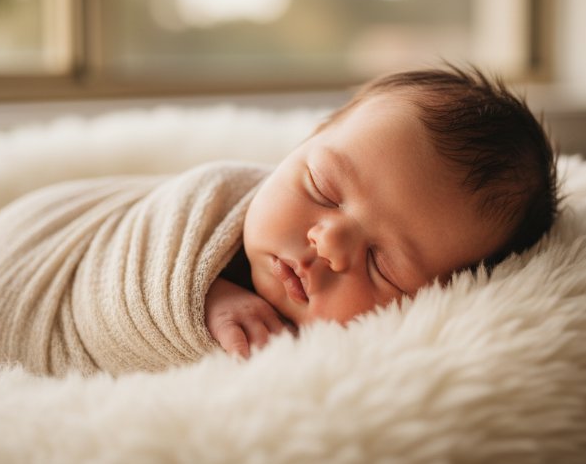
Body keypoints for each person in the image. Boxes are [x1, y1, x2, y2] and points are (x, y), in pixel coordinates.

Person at [204, 65, 558, 358]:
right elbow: (148, 259)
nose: (329, 244)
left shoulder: (355, 361)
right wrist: (208, 299)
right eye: (322, 188)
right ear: (308, 140)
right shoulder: (211, 197)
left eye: (382, 266)